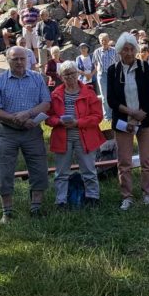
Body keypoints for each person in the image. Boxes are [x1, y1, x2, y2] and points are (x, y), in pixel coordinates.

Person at [0, 46, 51, 223]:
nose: (20, 62)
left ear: (28, 59)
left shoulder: (37, 78)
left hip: (32, 130)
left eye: (23, 58)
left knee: (39, 168)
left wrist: (28, 114)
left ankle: (36, 207)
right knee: (4, 170)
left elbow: (46, 103)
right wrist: (16, 119)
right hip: (7, 132)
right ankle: (6, 211)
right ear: (8, 60)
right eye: (15, 59)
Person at [107, 33, 149, 210]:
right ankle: (127, 196)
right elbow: (111, 100)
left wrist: (141, 113)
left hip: (145, 120)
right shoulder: (113, 71)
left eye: (131, 49)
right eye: (124, 50)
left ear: (135, 50)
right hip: (123, 122)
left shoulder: (144, 67)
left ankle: (148, 193)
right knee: (125, 162)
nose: (128, 53)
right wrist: (131, 113)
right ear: (119, 52)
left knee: (147, 160)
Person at [46, 60, 105, 208]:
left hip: (84, 136)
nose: (70, 77)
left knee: (89, 170)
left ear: (78, 73)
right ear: (61, 77)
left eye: (72, 73)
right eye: (66, 75)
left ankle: (93, 198)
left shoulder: (89, 92)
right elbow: (48, 117)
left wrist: (78, 123)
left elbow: (98, 116)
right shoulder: (55, 94)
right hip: (62, 137)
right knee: (61, 173)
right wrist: (59, 122)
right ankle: (61, 201)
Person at [93, 33, 117, 120]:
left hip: (112, 75)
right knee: (104, 96)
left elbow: (118, 63)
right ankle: (107, 116)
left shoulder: (114, 50)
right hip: (102, 75)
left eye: (105, 40)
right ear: (100, 41)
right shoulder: (97, 51)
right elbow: (95, 63)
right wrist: (98, 70)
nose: (104, 41)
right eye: (102, 40)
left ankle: (115, 114)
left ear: (108, 39)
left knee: (114, 95)